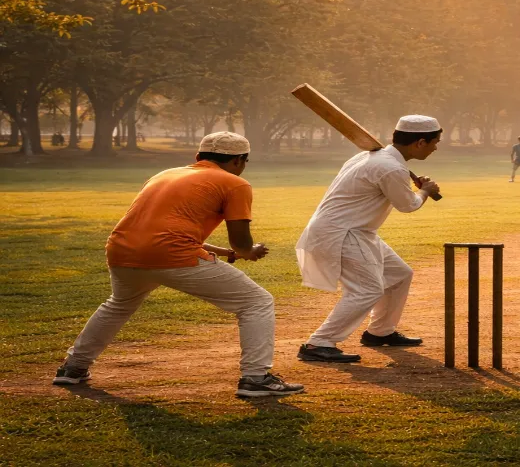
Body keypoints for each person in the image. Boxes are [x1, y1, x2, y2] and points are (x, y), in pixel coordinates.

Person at [54, 132, 302, 397]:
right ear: (239, 160)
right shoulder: (233, 183)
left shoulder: (165, 174)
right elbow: (241, 242)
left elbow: (160, 231)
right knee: (256, 302)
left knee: (118, 305)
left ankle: (73, 368)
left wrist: (228, 253)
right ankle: (256, 378)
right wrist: (247, 252)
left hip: (122, 251)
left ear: (198, 157)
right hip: (172, 254)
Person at [295, 115, 442, 364]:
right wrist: (425, 191)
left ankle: (380, 332)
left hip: (357, 231)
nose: (436, 147)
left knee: (399, 275)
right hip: (343, 232)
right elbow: (408, 205)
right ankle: (318, 343)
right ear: (419, 143)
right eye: (434, 142)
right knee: (367, 289)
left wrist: (413, 185)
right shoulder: (390, 166)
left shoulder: (372, 157)